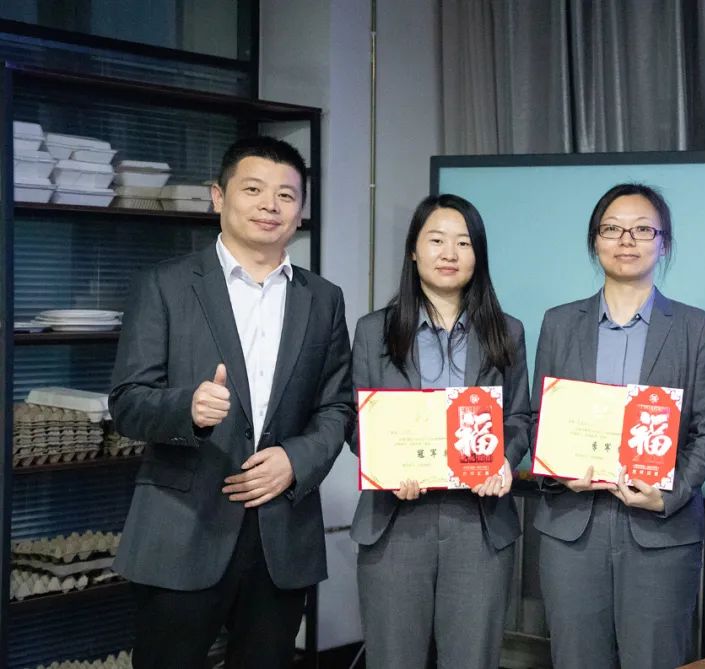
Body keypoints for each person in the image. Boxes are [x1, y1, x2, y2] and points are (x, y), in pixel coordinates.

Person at [109, 136, 353, 668]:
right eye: (253, 189)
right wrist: (186, 409)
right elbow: (127, 402)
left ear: (300, 210)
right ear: (218, 196)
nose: (270, 205)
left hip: (280, 532)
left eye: (286, 195)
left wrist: (296, 460)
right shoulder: (165, 285)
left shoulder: (323, 298)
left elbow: (337, 406)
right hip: (182, 528)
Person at [531, 183, 705, 669]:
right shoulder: (559, 323)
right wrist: (557, 470)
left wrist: (670, 493)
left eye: (642, 230)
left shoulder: (695, 327)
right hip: (572, 531)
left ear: (664, 243)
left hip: (660, 532)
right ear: (594, 241)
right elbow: (539, 419)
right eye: (612, 229)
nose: (626, 240)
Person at [349, 194, 531, 669]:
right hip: (394, 519)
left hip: (479, 522)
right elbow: (354, 418)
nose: (449, 253)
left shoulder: (507, 332)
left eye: (463, 243)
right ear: (414, 250)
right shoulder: (373, 331)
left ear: (478, 254)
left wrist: (503, 460)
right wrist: (386, 466)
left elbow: (519, 418)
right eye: (436, 240)